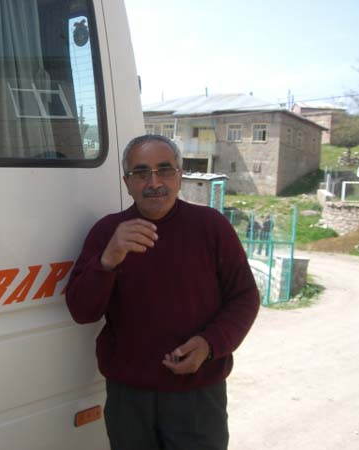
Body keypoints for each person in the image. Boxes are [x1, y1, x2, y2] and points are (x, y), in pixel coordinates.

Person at [65, 134, 260, 450]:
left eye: (165, 170)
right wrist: (108, 259)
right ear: (127, 183)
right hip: (129, 398)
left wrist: (210, 344)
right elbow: (82, 312)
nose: (154, 182)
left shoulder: (211, 226)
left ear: (180, 177)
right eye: (141, 173)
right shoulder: (107, 232)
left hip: (197, 397)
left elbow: (245, 297)